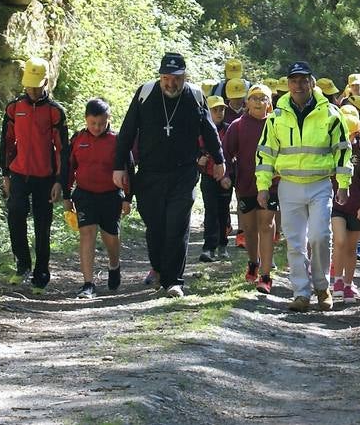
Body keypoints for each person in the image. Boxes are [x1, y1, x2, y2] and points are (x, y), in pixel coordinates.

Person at [113, 52, 225, 298]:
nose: (171, 83)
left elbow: (208, 129)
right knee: (155, 226)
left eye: (176, 78)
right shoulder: (145, 93)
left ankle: (174, 281)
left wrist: (219, 159)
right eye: (166, 77)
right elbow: (127, 131)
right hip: (150, 173)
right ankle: (159, 267)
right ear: (160, 76)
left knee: (177, 225)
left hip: (183, 173)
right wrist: (119, 166)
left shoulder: (195, 96)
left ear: (184, 76)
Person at [255, 61, 352, 313]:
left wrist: (343, 183)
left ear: (312, 82)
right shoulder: (276, 116)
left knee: (320, 236)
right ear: (288, 84)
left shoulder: (331, 113)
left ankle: (322, 287)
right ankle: (301, 293)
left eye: (303, 80)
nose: (298, 85)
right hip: (289, 186)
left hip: (320, 184)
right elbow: (265, 154)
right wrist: (263, 186)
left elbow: (343, 151)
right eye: (294, 80)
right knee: (295, 243)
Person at [1, 57, 69, 292]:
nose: (32, 90)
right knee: (15, 214)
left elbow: (62, 149)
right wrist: (6, 174)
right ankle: (22, 264)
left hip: (44, 177)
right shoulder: (14, 108)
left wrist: (60, 181)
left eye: (37, 85)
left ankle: (41, 274)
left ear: (45, 83)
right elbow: (7, 142)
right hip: (19, 173)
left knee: (42, 225)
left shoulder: (55, 112)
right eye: (29, 85)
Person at [65, 98, 128, 299]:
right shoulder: (77, 139)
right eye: (92, 123)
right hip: (85, 194)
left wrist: (128, 197)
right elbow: (67, 168)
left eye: (101, 123)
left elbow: (129, 169)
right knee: (87, 233)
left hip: (111, 195)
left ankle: (114, 264)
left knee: (110, 236)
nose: (97, 127)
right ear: (86, 120)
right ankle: (88, 283)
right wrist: (66, 195)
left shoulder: (117, 140)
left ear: (108, 119)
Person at [225, 83, 277, 294]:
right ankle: (253, 263)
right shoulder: (237, 125)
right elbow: (226, 153)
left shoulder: (276, 125)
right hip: (246, 184)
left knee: (267, 224)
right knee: (250, 228)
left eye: (262, 98)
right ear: (247, 102)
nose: (258, 102)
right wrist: (227, 175)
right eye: (254, 98)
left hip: (272, 184)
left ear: (269, 104)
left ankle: (265, 276)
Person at [330, 106, 360, 301]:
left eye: (348, 134)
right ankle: (337, 279)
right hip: (336, 207)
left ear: (356, 133)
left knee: (351, 247)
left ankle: (348, 283)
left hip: (356, 208)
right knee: (339, 241)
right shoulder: (330, 152)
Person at [197, 96, 235, 262]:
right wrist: (198, 159)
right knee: (210, 210)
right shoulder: (200, 130)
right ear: (208, 111)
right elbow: (192, 150)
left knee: (223, 211)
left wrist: (227, 176)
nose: (219, 113)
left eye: (222, 109)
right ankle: (208, 247)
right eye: (215, 110)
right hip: (208, 176)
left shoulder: (229, 130)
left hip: (225, 178)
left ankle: (223, 245)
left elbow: (234, 154)